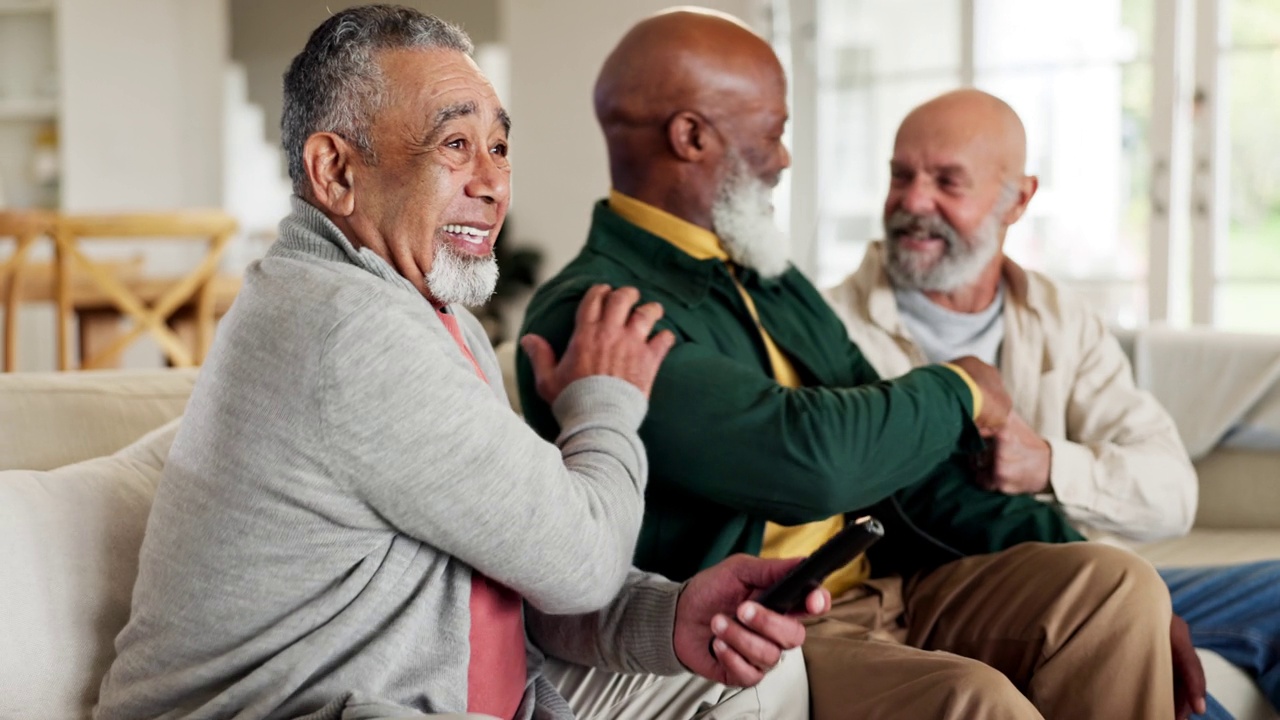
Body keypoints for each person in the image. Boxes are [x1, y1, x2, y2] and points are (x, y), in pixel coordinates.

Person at [93, 7, 828, 720]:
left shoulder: (432, 314)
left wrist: (675, 618)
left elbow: (521, 583)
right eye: (454, 145)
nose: (493, 182)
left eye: (500, 146)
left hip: (433, 695)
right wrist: (604, 401)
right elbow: (583, 560)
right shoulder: (344, 330)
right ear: (335, 171)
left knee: (736, 672)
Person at [518, 8, 1206, 720]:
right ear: (692, 136)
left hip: (887, 583)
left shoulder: (771, 280)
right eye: (774, 131)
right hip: (774, 626)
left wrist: (1130, 591)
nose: (784, 159)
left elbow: (910, 471)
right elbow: (809, 456)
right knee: (975, 703)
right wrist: (961, 386)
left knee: (1117, 588)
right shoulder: (599, 316)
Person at [825, 87, 1280, 720]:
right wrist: (1133, 608)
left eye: (947, 182)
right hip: (995, 591)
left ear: (1019, 199)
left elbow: (1172, 493)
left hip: (1103, 577)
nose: (912, 202)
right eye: (901, 176)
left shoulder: (1062, 317)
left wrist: (1048, 467)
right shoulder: (832, 330)